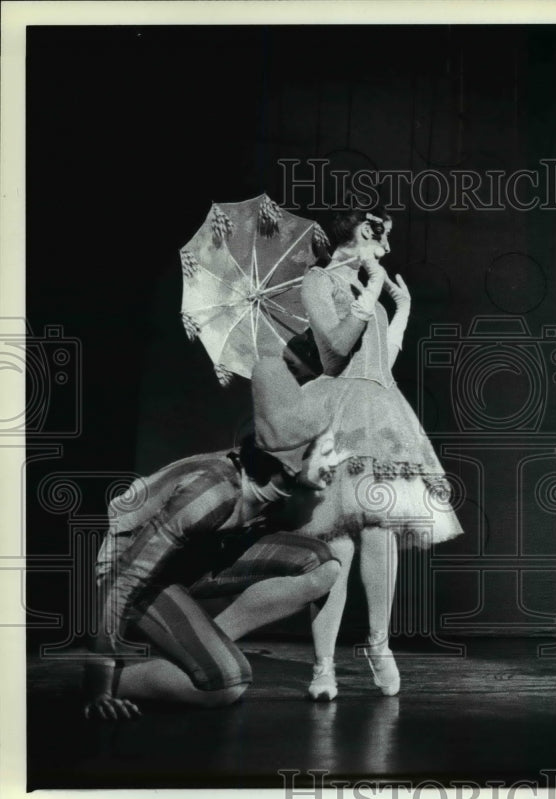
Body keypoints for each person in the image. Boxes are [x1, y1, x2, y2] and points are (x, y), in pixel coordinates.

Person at [83, 358, 351, 720]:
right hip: (131, 566)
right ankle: (119, 681)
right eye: (329, 452)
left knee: (324, 561)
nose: (338, 461)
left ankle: (206, 642)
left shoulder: (282, 488)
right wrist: (98, 683)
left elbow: (292, 364)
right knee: (227, 685)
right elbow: (125, 579)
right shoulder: (211, 492)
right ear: (289, 463)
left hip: (200, 555)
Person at [282, 206, 462, 701]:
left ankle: (379, 645)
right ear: (363, 232)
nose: (385, 249)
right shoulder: (319, 281)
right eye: (380, 239)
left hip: (380, 410)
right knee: (334, 540)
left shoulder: (369, 288)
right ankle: (323, 665)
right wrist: (372, 292)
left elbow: (379, 362)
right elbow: (336, 353)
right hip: (337, 408)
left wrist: (398, 310)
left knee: (380, 527)